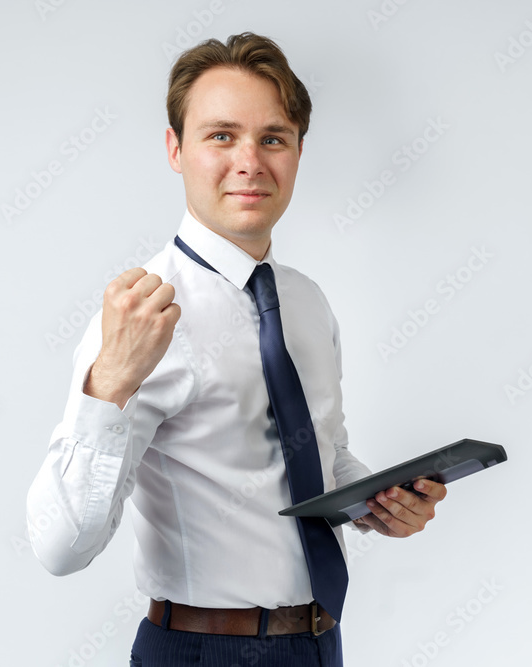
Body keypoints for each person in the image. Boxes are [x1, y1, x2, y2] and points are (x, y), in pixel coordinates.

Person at [26, 32, 447, 667]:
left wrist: (376, 502)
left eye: (272, 137)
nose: (250, 161)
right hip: (201, 652)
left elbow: (318, 457)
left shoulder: (306, 303)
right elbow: (60, 548)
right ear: (176, 148)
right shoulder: (140, 318)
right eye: (221, 135)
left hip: (321, 644)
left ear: (299, 151)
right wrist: (110, 379)